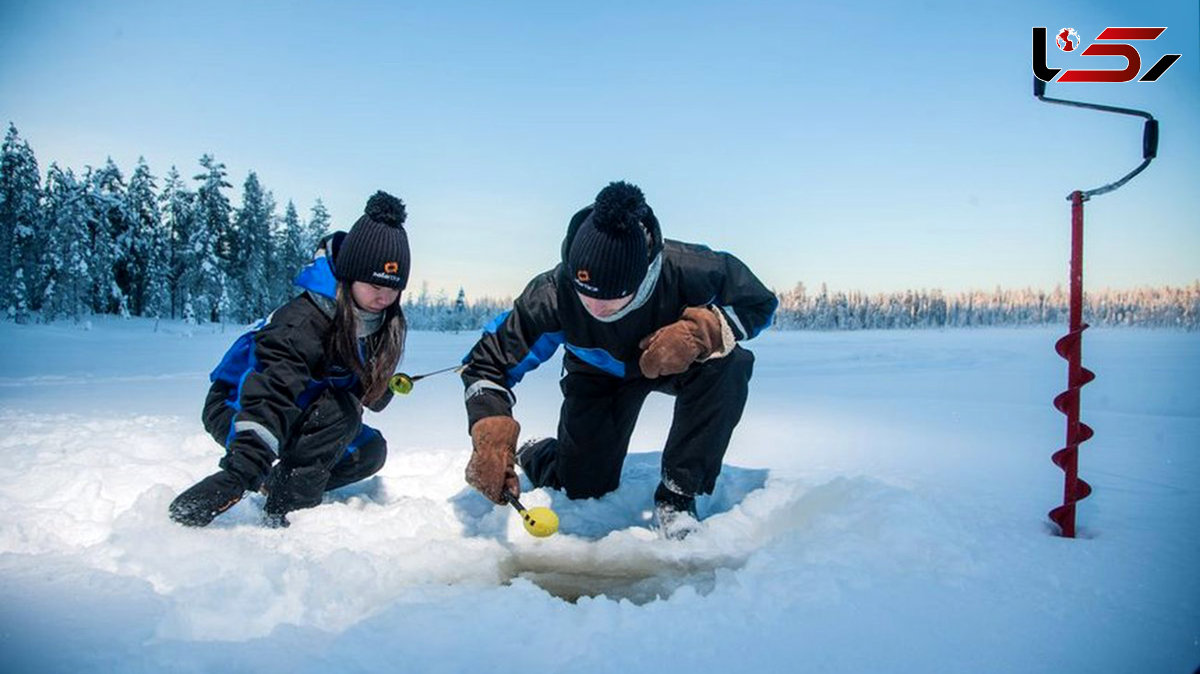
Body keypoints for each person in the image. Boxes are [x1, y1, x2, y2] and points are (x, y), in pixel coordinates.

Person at [461, 181, 777, 537]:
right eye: (585, 293)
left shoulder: (692, 269)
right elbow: (485, 365)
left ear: (643, 276)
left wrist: (699, 333)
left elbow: (759, 303)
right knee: (583, 486)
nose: (596, 307)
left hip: (677, 363)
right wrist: (489, 430)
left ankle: (679, 494)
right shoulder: (551, 295)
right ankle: (542, 453)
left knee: (730, 364)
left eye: (614, 297)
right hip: (598, 375)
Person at [169, 191, 411, 527]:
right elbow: (271, 393)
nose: (383, 296)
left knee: (368, 451)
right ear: (349, 275)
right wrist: (241, 472)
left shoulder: (371, 319)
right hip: (241, 406)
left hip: (303, 408)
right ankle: (287, 512)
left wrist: (378, 385)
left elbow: (344, 376)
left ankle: (277, 485)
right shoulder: (300, 324)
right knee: (340, 412)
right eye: (373, 284)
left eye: (393, 287)